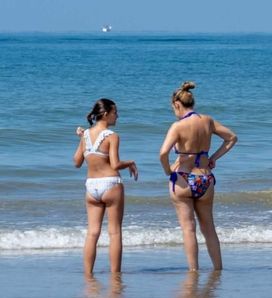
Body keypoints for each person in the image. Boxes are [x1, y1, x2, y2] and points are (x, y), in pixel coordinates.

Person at [157, 81, 238, 271]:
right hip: (205, 179)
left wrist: (168, 171)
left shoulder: (178, 126)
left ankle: (193, 272)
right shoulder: (207, 121)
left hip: (183, 178)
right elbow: (232, 138)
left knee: (188, 229)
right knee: (209, 228)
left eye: (173, 108)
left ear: (177, 104)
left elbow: (162, 153)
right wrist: (213, 158)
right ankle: (218, 270)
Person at [72, 98, 138, 276]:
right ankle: (115, 276)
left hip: (91, 186)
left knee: (92, 233)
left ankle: (88, 275)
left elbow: (77, 162)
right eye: (116, 112)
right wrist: (130, 162)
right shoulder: (112, 136)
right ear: (106, 114)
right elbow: (115, 164)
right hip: (110, 184)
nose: (118, 116)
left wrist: (82, 139)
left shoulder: (85, 136)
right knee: (115, 233)